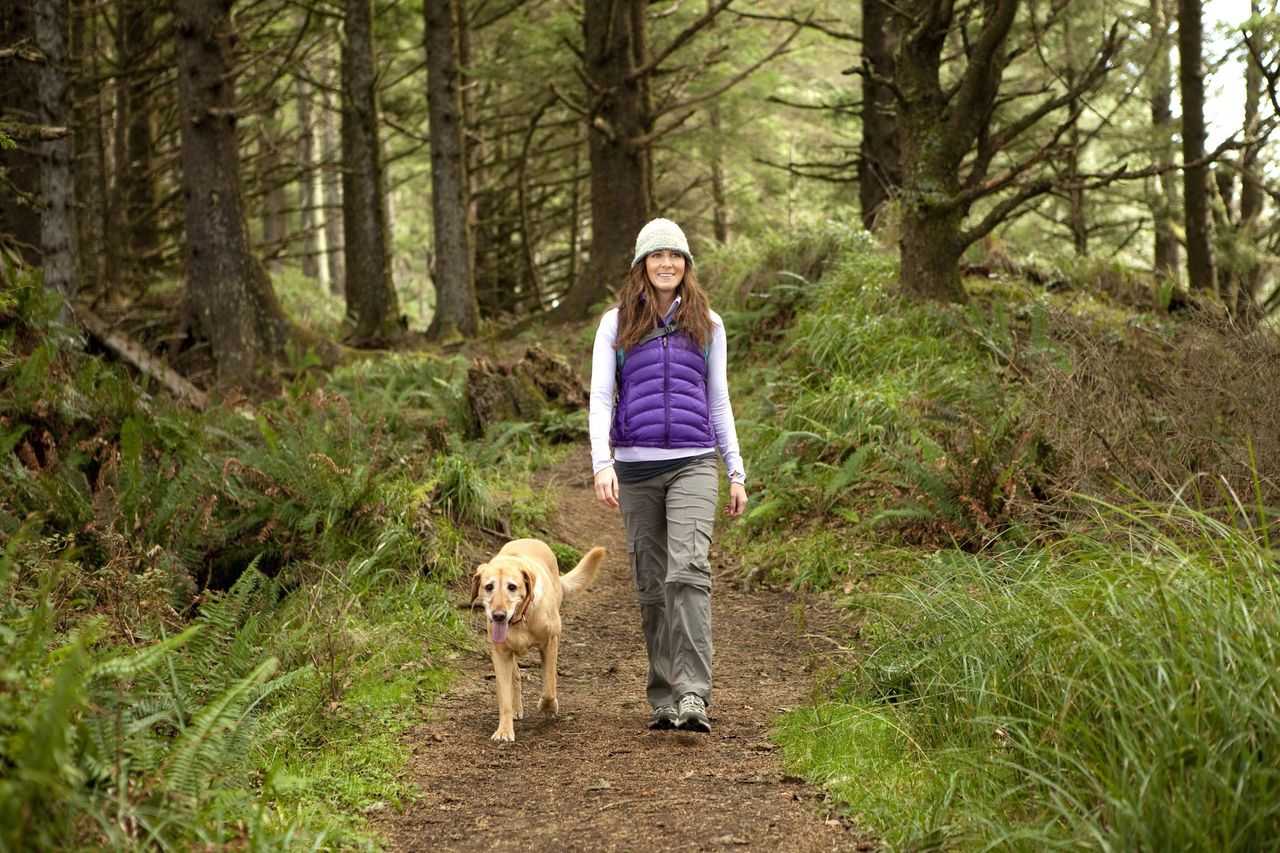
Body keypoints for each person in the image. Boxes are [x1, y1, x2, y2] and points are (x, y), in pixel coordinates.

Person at [589, 217, 748, 733]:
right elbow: (599, 399)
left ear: (686, 266)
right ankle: (662, 694)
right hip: (635, 470)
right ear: (641, 265)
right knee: (651, 585)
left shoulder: (709, 324)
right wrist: (601, 462)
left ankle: (694, 694)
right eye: (656, 257)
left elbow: (718, 400)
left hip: (694, 463)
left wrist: (736, 469)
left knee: (687, 571)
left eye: (675, 257)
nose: (666, 265)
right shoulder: (615, 325)